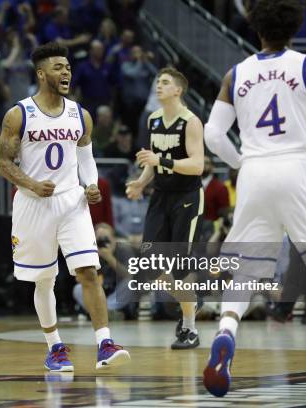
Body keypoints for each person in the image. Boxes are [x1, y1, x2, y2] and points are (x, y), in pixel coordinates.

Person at [201, 0, 306, 399]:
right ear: (295, 26)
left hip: (255, 172)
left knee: (245, 271)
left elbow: (213, 135)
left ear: (255, 28)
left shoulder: (235, 73)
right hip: (298, 170)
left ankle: (226, 332)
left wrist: (244, 162)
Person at [0, 42, 130, 372]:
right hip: (33, 204)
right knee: (44, 280)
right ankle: (54, 346)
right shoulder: (18, 115)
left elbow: (86, 157)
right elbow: (3, 162)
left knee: (89, 271)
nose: (66, 71)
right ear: (41, 74)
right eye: (58, 67)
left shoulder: (79, 114)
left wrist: (92, 184)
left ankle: (104, 343)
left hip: (72, 202)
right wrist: (30, 183)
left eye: (68, 67)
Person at [125, 67, 205, 349]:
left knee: (180, 267)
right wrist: (141, 182)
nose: (158, 86)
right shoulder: (154, 119)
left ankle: (190, 329)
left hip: (187, 197)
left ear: (178, 90)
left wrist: (161, 162)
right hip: (160, 196)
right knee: (151, 263)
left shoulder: (191, 122)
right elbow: (152, 161)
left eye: (165, 82)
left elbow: (197, 165)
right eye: (157, 81)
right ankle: (190, 303)